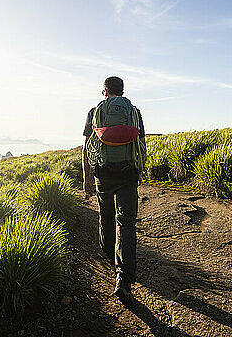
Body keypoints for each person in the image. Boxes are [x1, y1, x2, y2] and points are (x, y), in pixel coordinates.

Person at [82, 76, 146, 304]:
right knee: (126, 222)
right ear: (122, 91)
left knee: (106, 215)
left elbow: (86, 147)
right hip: (128, 173)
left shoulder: (94, 111)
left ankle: (109, 255)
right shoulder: (134, 112)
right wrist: (139, 172)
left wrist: (87, 177)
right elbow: (141, 144)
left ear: (105, 91)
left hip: (103, 173)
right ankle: (124, 278)